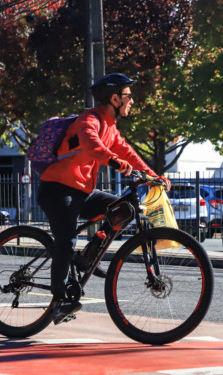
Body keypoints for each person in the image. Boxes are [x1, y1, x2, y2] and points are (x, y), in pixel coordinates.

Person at [36, 73, 170, 324]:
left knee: (127, 207)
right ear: (114, 97)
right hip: (57, 189)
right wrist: (114, 161)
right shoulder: (90, 119)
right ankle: (59, 300)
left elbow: (126, 151)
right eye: (129, 95)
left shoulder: (111, 126)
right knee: (65, 240)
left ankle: (88, 255)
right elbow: (91, 144)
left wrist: (153, 175)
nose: (132, 101)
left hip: (83, 191)